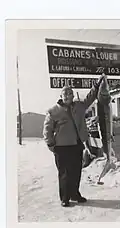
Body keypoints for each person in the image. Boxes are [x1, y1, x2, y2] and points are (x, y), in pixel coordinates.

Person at [43, 74, 105, 207]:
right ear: (61, 96)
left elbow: (90, 97)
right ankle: (64, 198)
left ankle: (75, 194)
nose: (67, 95)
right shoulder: (53, 111)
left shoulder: (79, 106)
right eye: (65, 94)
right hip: (61, 147)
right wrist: (50, 144)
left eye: (70, 93)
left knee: (76, 172)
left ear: (72, 96)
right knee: (64, 173)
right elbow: (47, 129)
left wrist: (97, 84)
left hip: (77, 145)